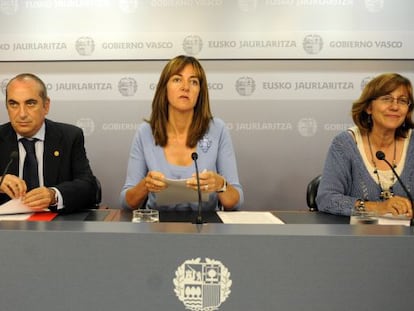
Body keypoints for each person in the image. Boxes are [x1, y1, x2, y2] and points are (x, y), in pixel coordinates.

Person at [120, 55, 243, 211]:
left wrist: (220, 185)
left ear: (200, 92)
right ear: (164, 88)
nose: (185, 87)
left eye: (193, 82)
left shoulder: (217, 129)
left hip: (206, 228)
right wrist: (145, 185)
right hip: (157, 229)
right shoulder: (145, 132)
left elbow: (236, 201)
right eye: (177, 79)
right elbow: (126, 203)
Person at [316, 73, 414, 218]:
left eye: (402, 101)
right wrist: (377, 207)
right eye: (386, 99)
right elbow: (326, 199)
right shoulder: (345, 144)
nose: (395, 106)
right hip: (357, 238)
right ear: (368, 107)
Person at [0, 73, 98, 213]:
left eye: (30, 103)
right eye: (14, 104)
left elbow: (89, 186)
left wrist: (54, 195)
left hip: (56, 227)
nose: (22, 113)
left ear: (46, 106)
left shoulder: (69, 136)